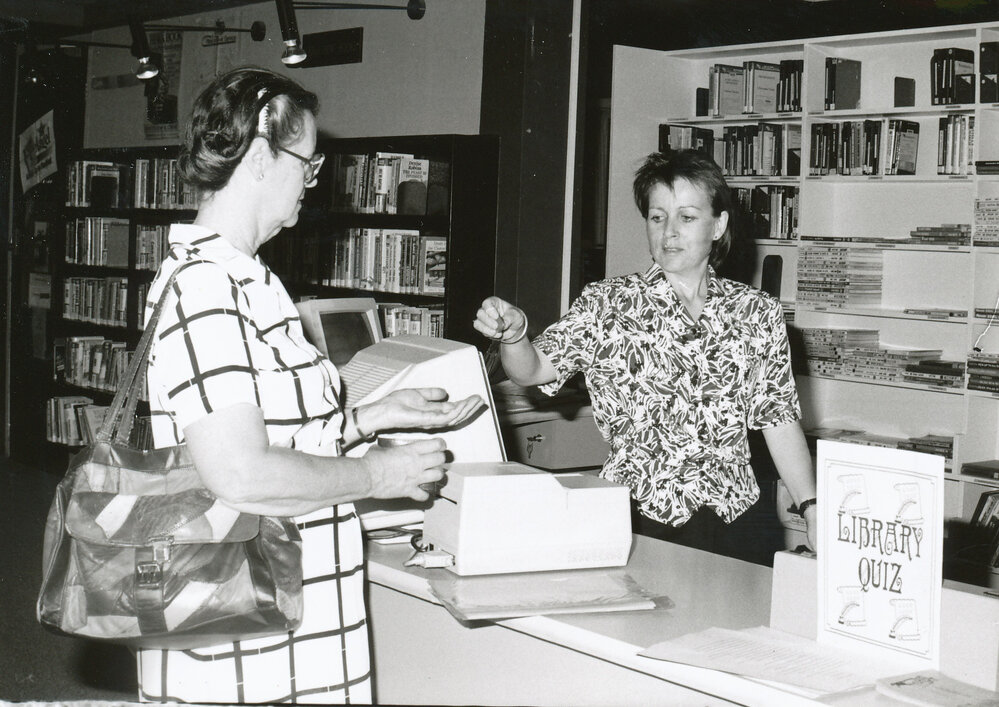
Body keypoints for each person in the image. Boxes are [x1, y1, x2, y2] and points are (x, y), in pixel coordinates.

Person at [136, 66, 483, 704]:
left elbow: (275, 431)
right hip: (245, 651)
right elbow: (240, 473)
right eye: (308, 162)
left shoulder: (251, 282)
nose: (312, 181)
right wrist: (378, 476)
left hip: (288, 629)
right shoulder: (206, 289)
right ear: (263, 154)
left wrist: (367, 417)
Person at [474, 149, 817, 562]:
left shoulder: (757, 312)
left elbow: (778, 419)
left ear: (719, 224)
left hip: (738, 520)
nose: (669, 232)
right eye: (658, 217)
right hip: (639, 520)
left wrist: (810, 506)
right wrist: (514, 336)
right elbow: (532, 369)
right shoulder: (609, 304)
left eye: (686, 217)